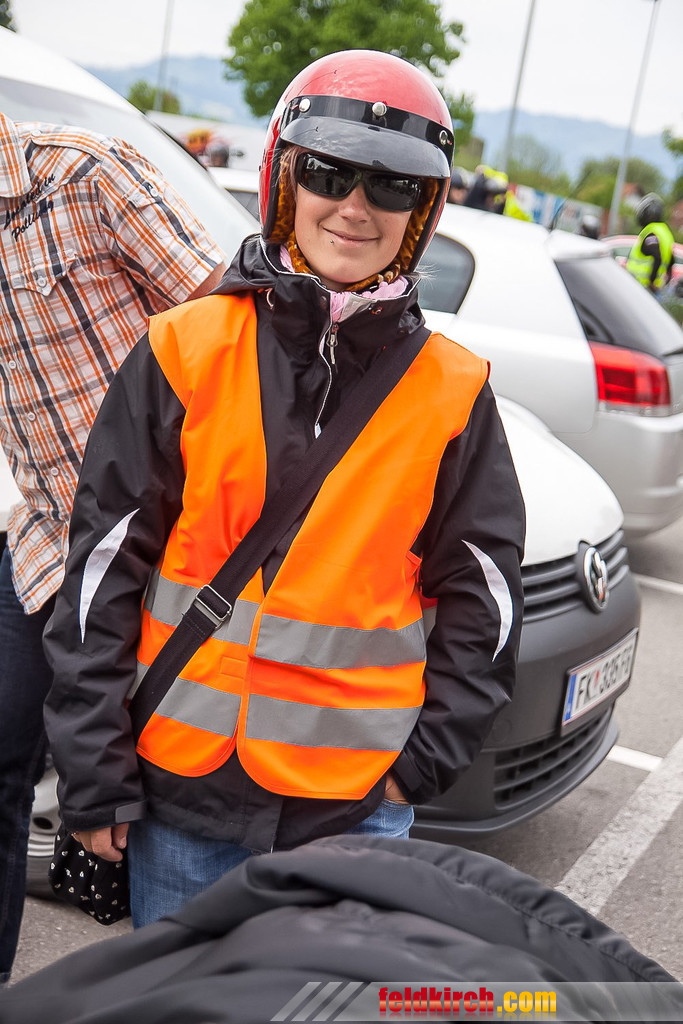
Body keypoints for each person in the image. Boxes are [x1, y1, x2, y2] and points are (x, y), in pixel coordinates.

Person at [43, 49, 526, 929]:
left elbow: (485, 600)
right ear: (283, 179)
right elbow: (101, 573)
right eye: (329, 174)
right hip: (179, 795)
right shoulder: (183, 348)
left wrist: (417, 768)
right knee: (179, 997)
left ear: (422, 212)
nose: (355, 206)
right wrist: (95, 770)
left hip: (353, 811)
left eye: (392, 186)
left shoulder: (453, 392)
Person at [0, 112, 226, 983]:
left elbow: (231, 333)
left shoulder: (87, 174)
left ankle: (188, 982)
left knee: (166, 799)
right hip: (42, 542)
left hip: (154, 548)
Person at [626, 192, 675, 296]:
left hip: (642, 288)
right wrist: (666, 280)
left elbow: (657, 257)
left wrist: (651, 281)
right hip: (654, 290)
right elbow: (671, 260)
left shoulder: (651, 233)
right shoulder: (665, 232)